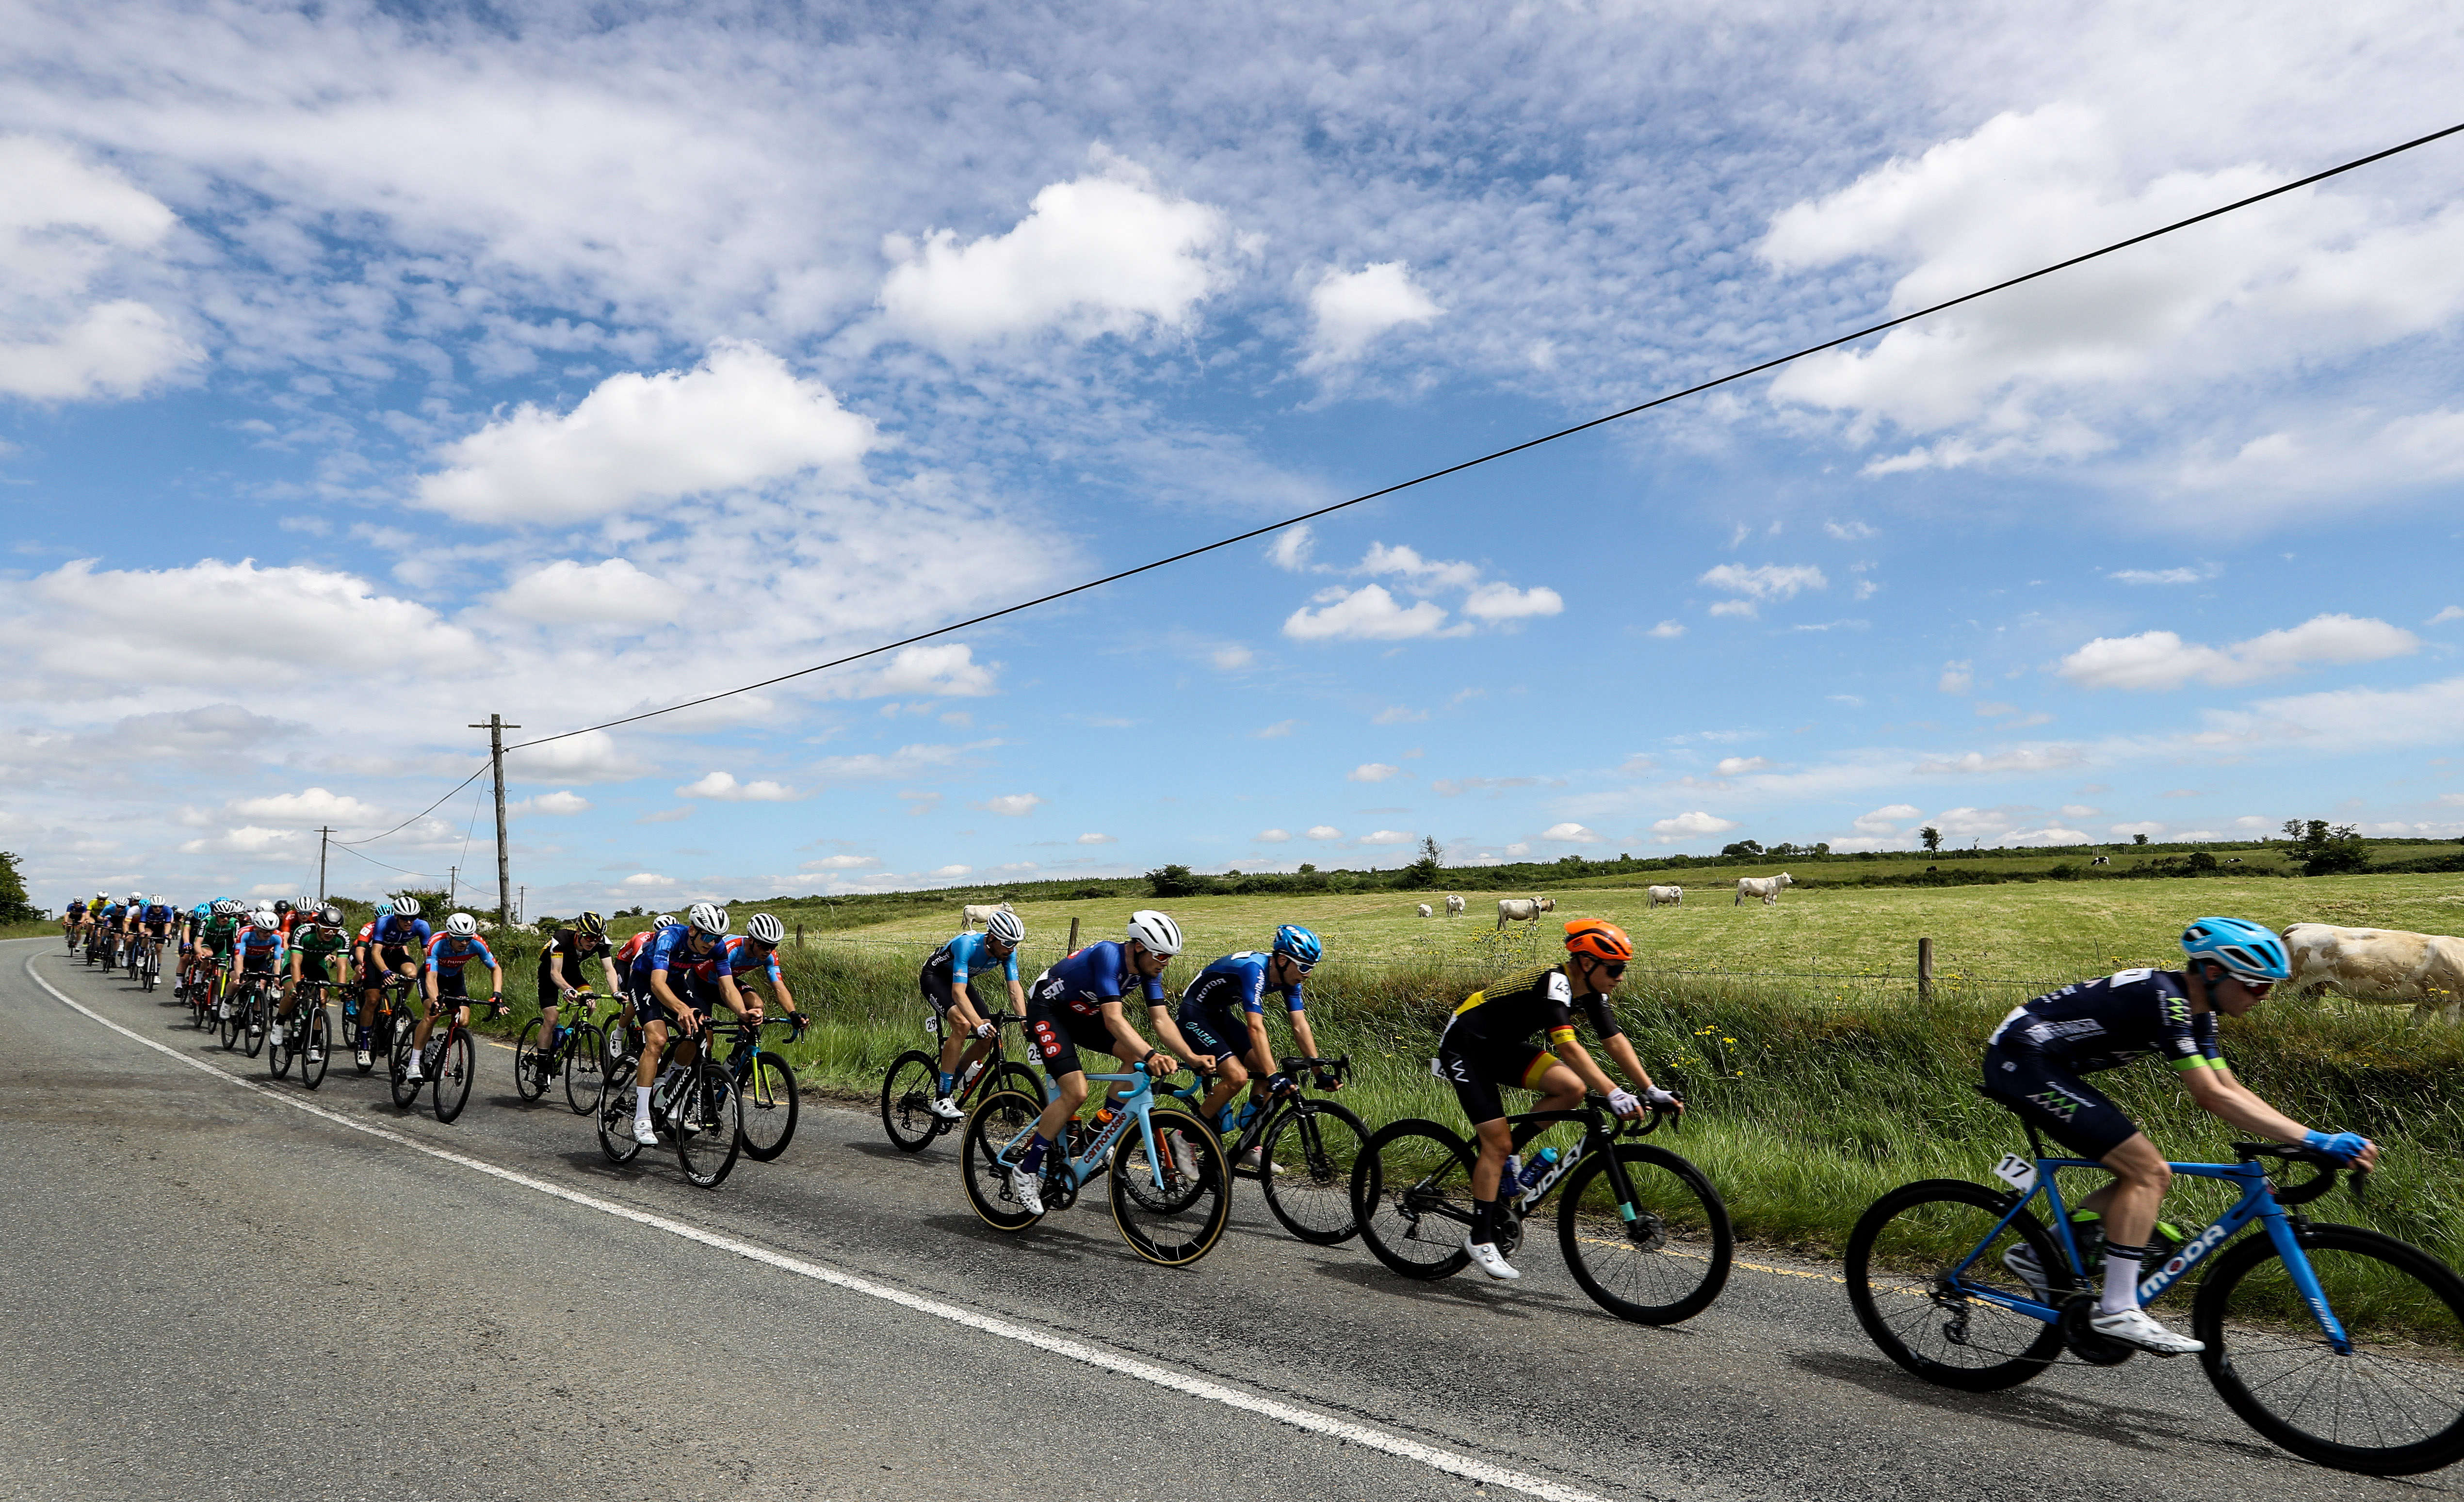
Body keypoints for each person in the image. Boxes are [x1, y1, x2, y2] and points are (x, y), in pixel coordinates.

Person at [1981, 916, 2377, 1356]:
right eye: (2255, 986)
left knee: (2146, 1172)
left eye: (2267, 988)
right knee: (2148, 1173)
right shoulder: (2166, 999)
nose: (2261, 998)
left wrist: (2310, 1136)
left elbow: (2231, 1089)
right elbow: (2210, 1096)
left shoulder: (2197, 1012)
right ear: (2212, 972)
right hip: (2023, 1059)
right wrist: (2317, 1141)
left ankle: (2039, 1254)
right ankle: (2116, 1308)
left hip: (2046, 1062)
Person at [1435, 920, 1681, 1283]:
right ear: (1586, 963)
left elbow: (1614, 1039)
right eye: (1615, 969)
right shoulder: (1556, 984)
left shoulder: (1590, 993)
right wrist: (1614, 1092)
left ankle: (1506, 1158)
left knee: (1572, 1089)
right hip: (1466, 1046)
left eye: (1623, 968)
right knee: (1496, 1142)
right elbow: (1568, 1047)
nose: (1621, 977)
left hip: (1501, 1048)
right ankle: (1481, 1235)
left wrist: (1649, 1088)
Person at [1006, 910, 1186, 1215]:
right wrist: (1152, 1055)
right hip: (1048, 1010)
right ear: (1139, 946)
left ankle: (1099, 1131)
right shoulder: (1108, 955)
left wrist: (1191, 1057)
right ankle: (1027, 1169)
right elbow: (1113, 1018)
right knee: (1075, 1092)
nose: (1164, 964)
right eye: (1161, 956)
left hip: (1081, 1016)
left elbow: (1161, 1019)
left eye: (1169, 958)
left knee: (1133, 1059)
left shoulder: (1150, 970)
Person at [1153, 924, 1332, 1145]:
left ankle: (1249, 1142)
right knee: (1238, 1076)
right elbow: (1255, 1027)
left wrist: (1318, 1071)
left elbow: (1299, 1024)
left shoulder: (1290, 978)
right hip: (1194, 1015)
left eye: (1312, 967)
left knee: (1261, 1064)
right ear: (1283, 960)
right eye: (1304, 967)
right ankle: (1183, 1138)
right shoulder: (1254, 970)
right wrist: (1273, 1076)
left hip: (1220, 1015)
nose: (1308, 974)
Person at [625, 903, 732, 1145]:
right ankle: (641, 1117)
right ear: (693, 930)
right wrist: (681, 1009)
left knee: (702, 1030)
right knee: (657, 1039)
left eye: (717, 938)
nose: (711, 943)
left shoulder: (716, 947)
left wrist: (744, 1013)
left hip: (675, 983)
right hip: (646, 981)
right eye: (707, 936)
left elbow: (727, 987)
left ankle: (669, 1082)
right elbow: (657, 984)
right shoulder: (669, 937)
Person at [917, 908, 1026, 1120]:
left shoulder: (1008, 953)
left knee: (989, 1035)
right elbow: (957, 993)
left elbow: (1014, 989)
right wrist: (977, 1024)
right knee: (962, 1024)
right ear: (992, 937)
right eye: (1007, 943)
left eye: (1015, 944)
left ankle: (956, 1077)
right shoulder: (967, 945)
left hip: (959, 981)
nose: (1011, 949)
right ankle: (942, 1097)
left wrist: (1025, 1022)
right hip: (936, 978)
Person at [405, 913, 504, 1083]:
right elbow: (431, 978)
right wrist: (436, 1000)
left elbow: (496, 969)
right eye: (460, 939)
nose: (464, 943)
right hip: (431, 976)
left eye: (468, 938)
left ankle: (440, 1047)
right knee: (432, 1014)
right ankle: (414, 1063)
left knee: (463, 1021)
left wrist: (497, 994)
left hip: (456, 979)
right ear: (450, 935)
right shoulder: (437, 943)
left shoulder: (478, 943)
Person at [530, 910, 620, 1086]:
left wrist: (616, 991)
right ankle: (541, 1069)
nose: (593, 942)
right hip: (551, 975)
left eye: (597, 938)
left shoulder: (600, 942)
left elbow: (609, 970)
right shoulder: (562, 938)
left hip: (573, 974)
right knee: (551, 1018)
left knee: (591, 1005)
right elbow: (555, 973)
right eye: (589, 937)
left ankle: (566, 1039)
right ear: (579, 933)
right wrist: (567, 989)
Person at [355, 898, 431, 1070]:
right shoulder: (383, 923)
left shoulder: (422, 926)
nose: (409, 921)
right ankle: (364, 1045)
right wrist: (385, 971)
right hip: (378, 957)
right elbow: (375, 953)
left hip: (397, 955)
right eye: (405, 918)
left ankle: (400, 1006)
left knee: (412, 974)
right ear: (397, 916)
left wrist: (433, 975)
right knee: (373, 999)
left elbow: (429, 955)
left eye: (413, 917)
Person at [274, 904, 350, 1062]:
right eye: (326, 929)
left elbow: (342, 965)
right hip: (294, 962)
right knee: (293, 994)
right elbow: (296, 963)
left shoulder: (343, 937)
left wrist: (342, 990)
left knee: (322, 1000)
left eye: (334, 930)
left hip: (316, 964)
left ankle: (314, 1044)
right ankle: (279, 1023)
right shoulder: (303, 932)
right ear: (318, 925)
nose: (330, 933)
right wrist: (297, 986)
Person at [719, 912, 804, 1030]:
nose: (769, 951)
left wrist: (793, 1014)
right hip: (701, 984)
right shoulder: (731, 950)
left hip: (728, 982)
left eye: (773, 946)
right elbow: (726, 989)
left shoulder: (770, 956)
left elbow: (780, 988)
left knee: (757, 1007)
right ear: (751, 940)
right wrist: (742, 1013)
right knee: (707, 1043)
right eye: (764, 946)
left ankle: (745, 1043)